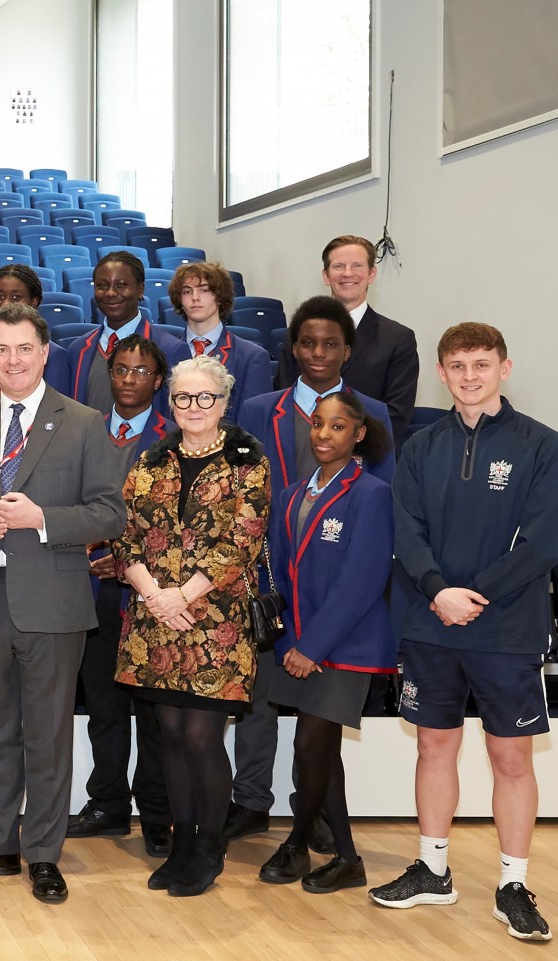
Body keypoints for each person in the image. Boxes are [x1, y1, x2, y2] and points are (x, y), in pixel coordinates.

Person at [371, 323, 558, 942]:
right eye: (457, 365)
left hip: (507, 626)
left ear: (504, 369)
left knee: (510, 756)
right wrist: (438, 592)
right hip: (432, 624)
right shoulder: (420, 447)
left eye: (481, 364)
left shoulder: (542, 445)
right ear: (441, 371)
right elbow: (405, 532)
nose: (469, 376)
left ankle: (513, 883)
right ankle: (433, 869)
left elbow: (544, 541)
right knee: (435, 746)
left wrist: (475, 597)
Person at [0, 303, 124, 903]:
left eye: (24, 349)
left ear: (44, 354)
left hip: (54, 606)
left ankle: (43, 853)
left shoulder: (85, 423)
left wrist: (44, 520)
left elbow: (111, 514)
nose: (13, 361)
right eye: (2, 350)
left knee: (46, 736)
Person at [229, 296, 396, 843]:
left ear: (348, 350)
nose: (318, 353)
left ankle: (314, 814)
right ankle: (251, 800)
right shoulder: (258, 408)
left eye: (330, 343)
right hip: (269, 576)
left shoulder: (371, 411)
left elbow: (383, 499)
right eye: (307, 342)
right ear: (292, 347)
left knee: (316, 723)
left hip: (335, 578)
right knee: (258, 696)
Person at [113, 355, 269, 897]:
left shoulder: (248, 461)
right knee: (170, 738)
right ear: (170, 402)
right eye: (183, 398)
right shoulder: (150, 461)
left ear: (224, 403)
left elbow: (243, 540)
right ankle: (180, 846)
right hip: (156, 620)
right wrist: (155, 595)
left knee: (202, 737)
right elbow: (125, 536)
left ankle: (210, 846)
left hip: (214, 624)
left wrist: (183, 594)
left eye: (205, 398)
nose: (193, 407)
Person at [256, 391, 395, 894]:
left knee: (312, 743)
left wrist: (312, 646)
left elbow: (363, 580)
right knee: (321, 753)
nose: (323, 434)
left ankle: (296, 842)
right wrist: (294, 641)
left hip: (344, 646)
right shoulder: (292, 493)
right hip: (300, 645)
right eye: (317, 424)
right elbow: (282, 577)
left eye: (337, 427)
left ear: (359, 434)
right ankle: (348, 856)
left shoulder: (372, 494)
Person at [65, 335, 172, 853]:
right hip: (93, 589)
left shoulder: (173, 436)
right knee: (105, 707)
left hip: (151, 597)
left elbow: (178, 525)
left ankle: (156, 812)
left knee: (151, 713)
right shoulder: (80, 428)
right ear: (109, 375)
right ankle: (107, 802)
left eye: (141, 370)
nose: (130, 379)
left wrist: (131, 561)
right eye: (121, 370)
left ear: (158, 380)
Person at [275, 235, 419, 444]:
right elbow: (283, 399)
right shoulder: (297, 334)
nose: (348, 273)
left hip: (364, 459)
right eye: (339, 266)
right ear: (326, 275)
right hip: (298, 454)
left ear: (371, 274)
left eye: (357, 266)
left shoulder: (398, 339)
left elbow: (395, 416)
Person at [55, 251, 186, 411]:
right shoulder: (78, 348)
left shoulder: (170, 349)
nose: (110, 293)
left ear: (140, 289)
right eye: (102, 286)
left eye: (121, 285)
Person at [172, 260, 273, 420]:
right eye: (187, 291)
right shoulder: (166, 352)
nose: (195, 298)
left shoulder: (251, 357)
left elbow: (254, 422)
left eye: (204, 290)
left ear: (219, 297)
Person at [0, 263, 74, 390]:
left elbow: (59, 406)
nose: (5, 303)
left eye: (16, 297)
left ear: (34, 302)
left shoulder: (55, 357)